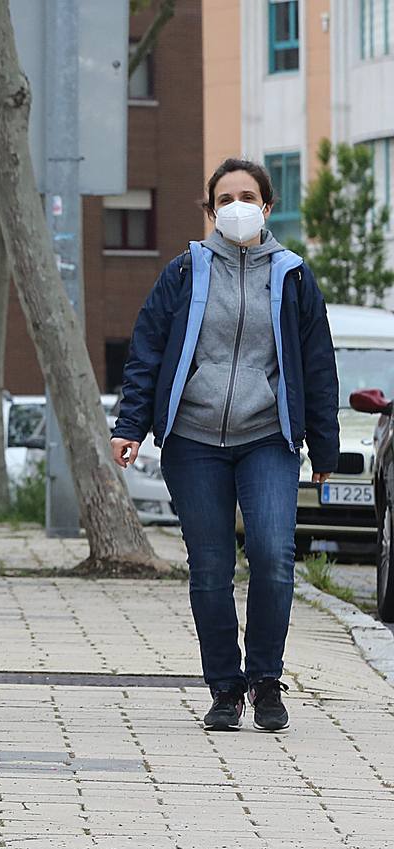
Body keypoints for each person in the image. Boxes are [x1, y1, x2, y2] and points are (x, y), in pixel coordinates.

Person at [111, 158, 338, 732]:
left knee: (272, 557)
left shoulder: (293, 276)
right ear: (210, 210)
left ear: (266, 206)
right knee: (210, 567)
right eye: (224, 198)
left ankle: (265, 681)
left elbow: (317, 365)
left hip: (268, 436)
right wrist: (130, 425)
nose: (236, 206)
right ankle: (224, 688)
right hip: (194, 440)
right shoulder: (184, 273)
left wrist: (325, 449)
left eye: (248, 195)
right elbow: (147, 352)